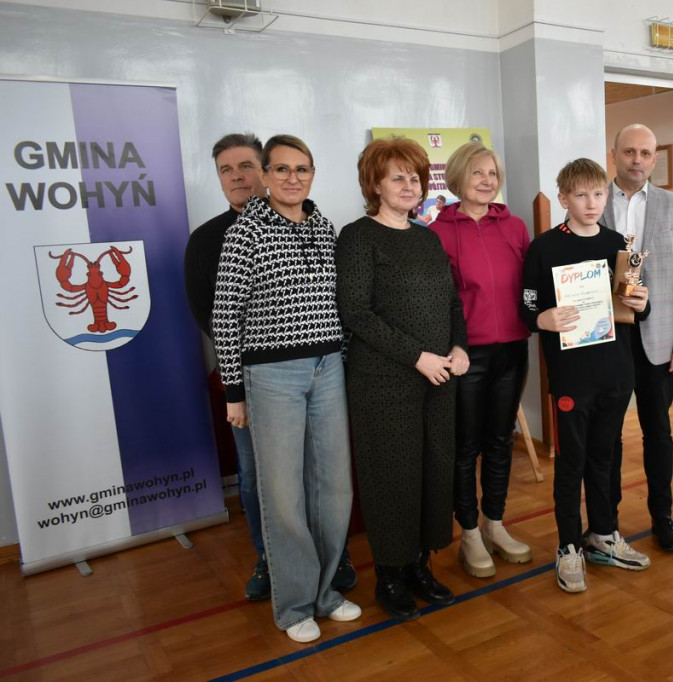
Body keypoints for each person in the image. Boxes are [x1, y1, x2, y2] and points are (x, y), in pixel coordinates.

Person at [184, 133, 357, 603]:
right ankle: (296, 600)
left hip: (327, 370)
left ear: (313, 174)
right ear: (265, 176)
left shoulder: (323, 227)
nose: (292, 177)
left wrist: (340, 363)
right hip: (272, 376)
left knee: (333, 488)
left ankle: (327, 591)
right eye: (281, 169)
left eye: (301, 169)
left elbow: (335, 307)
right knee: (282, 496)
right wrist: (234, 393)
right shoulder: (244, 233)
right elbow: (224, 316)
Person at [336, 138, 468, 620]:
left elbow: (453, 303)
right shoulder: (358, 236)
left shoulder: (428, 236)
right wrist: (418, 357)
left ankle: (420, 565)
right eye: (398, 177)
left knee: (435, 469)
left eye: (415, 177)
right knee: (393, 477)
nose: (409, 185)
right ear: (375, 184)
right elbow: (357, 313)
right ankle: (389, 575)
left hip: (439, 377)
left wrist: (459, 347)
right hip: (384, 382)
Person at [520, 158, 652, 593]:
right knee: (571, 463)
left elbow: (635, 303)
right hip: (571, 375)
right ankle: (567, 547)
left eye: (597, 194)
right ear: (563, 199)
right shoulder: (544, 248)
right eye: (581, 195)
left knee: (605, 457)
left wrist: (640, 301)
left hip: (615, 372)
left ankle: (603, 535)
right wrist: (544, 319)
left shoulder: (619, 243)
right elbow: (525, 308)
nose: (591, 203)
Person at [429, 142, 532, 579]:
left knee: (499, 442)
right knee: (465, 447)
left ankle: (494, 522)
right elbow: (437, 301)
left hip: (513, 349)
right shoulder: (437, 231)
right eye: (478, 173)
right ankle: (468, 531)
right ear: (457, 178)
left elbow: (531, 287)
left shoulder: (515, 226)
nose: (487, 180)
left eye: (492, 173)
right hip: (465, 356)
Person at [601, 124, 673, 552]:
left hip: (657, 342)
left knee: (659, 434)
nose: (636, 159)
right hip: (605, 341)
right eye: (629, 152)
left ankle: (663, 517)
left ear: (654, 159)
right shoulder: (593, 201)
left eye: (645, 152)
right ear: (614, 155)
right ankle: (608, 524)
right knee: (607, 436)